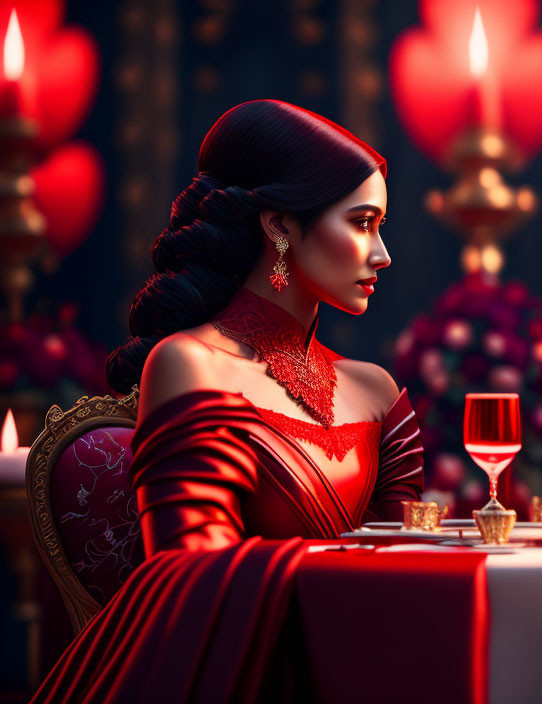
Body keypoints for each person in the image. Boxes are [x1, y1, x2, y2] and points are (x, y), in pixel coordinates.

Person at [32, 100, 423, 701]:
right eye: (363, 222)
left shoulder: (376, 392)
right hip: (240, 671)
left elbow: (408, 560)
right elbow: (188, 577)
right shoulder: (189, 364)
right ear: (280, 227)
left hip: (370, 657)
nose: (382, 254)